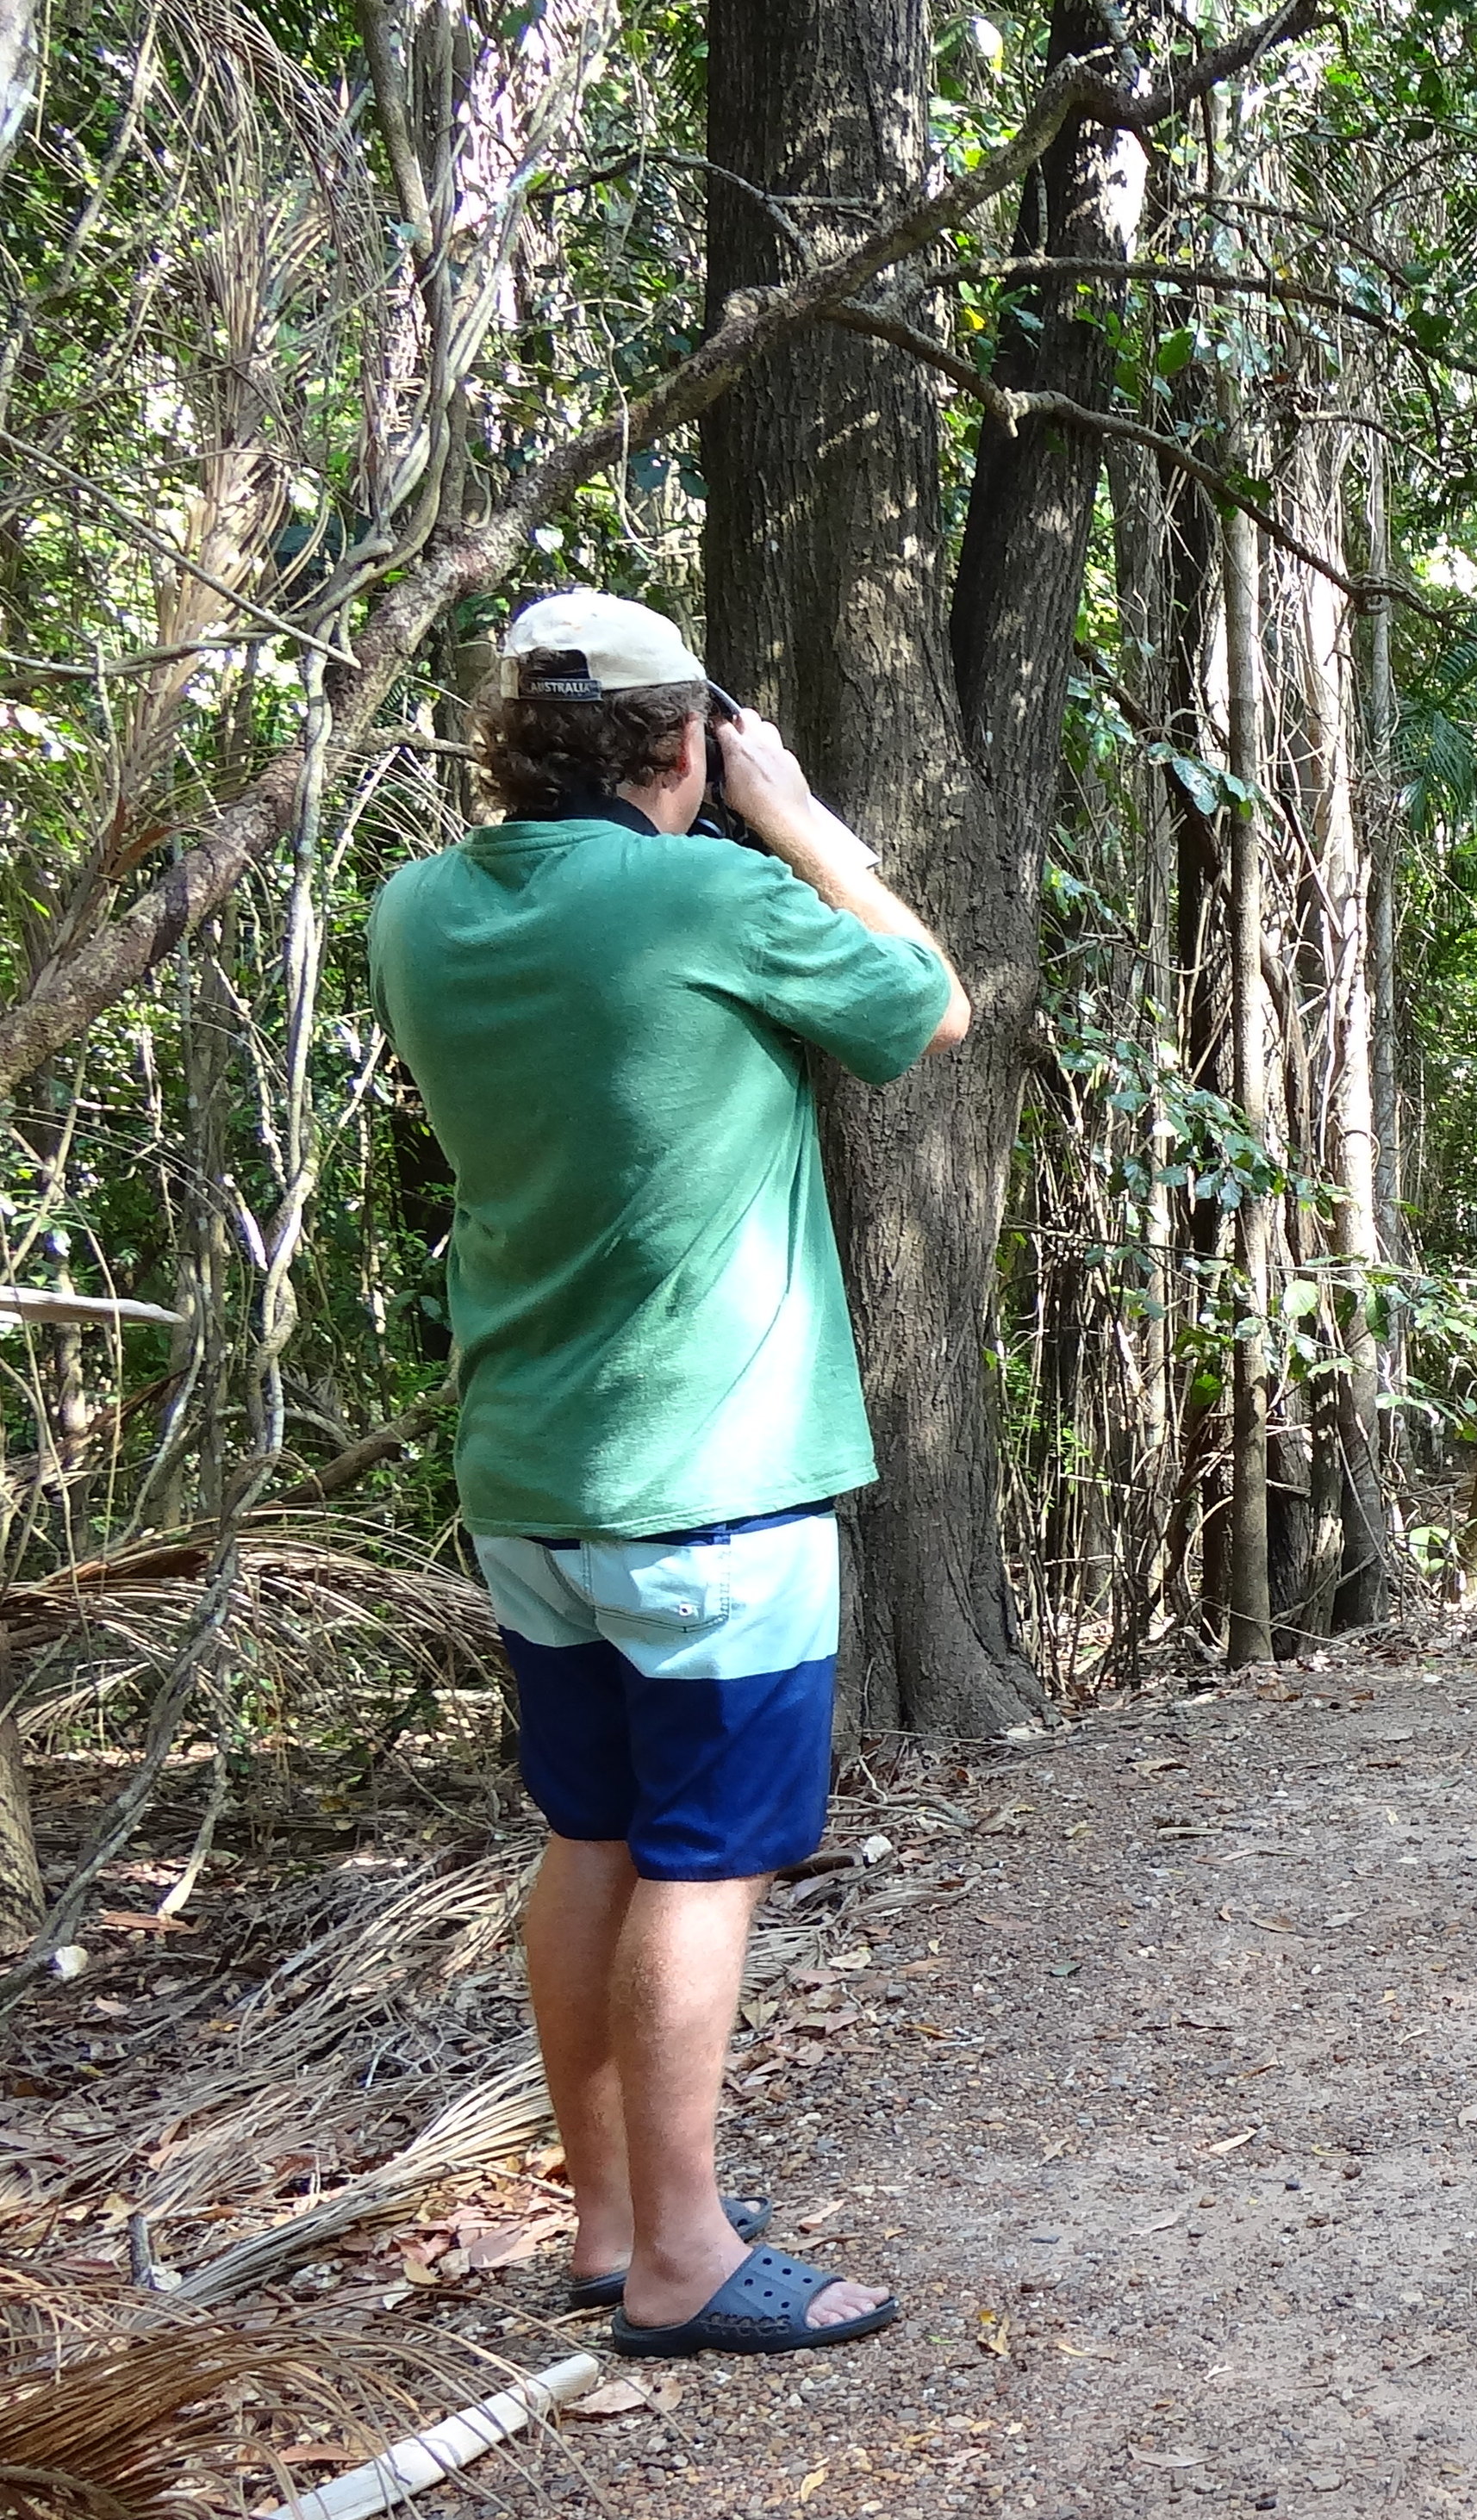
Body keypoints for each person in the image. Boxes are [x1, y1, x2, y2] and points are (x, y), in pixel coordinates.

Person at [369, 589, 969, 2361]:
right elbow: (926, 1004)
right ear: (677, 737)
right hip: (710, 1468)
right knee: (705, 1861)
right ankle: (688, 2254)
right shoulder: (708, 890)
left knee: (594, 1832)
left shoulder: (421, 907)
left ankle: (613, 2212)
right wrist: (784, 813)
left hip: (530, 1469)